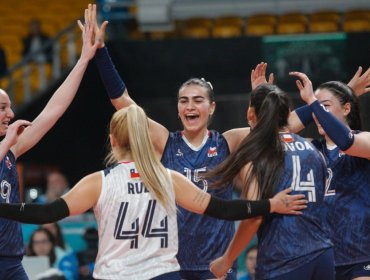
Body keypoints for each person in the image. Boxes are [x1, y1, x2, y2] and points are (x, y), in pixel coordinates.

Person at [86, 4, 306, 277]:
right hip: (170, 265)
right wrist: (101, 53)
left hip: (215, 266)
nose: (190, 106)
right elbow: (123, 102)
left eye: (198, 100)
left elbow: (281, 127)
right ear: (178, 109)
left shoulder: (228, 141)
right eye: (184, 101)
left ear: (211, 108)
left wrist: (314, 105)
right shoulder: (165, 140)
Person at [0, 101, 307, 279]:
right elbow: (225, 209)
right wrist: (270, 204)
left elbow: (45, 212)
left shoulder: (100, 181)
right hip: (163, 275)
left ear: (113, 139)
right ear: (146, 140)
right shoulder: (168, 178)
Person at [0, 9, 100, 279]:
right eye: (2, 108)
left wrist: (83, 60)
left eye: (9, 107)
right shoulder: (7, 145)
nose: (10, 115)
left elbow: (51, 112)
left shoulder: (10, 149)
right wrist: (8, 142)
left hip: (10, 260)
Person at [208, 83, 334, 280]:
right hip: (324, 256)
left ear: (251, 114)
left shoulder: (257, 154)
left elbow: (253, 216)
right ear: (289, 113)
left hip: (283, 259)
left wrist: (227, 260)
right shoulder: (314, 149)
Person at [290, 71, 370, 280]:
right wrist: (314, 104)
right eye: (315, 109)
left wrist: (314, 101)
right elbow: (280, 132)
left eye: (326, 106)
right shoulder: (309, 148)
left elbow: (347, 142)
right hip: (320, 255)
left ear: (346, 108)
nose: (317, 114)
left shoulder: (365, 140)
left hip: (360, 254)